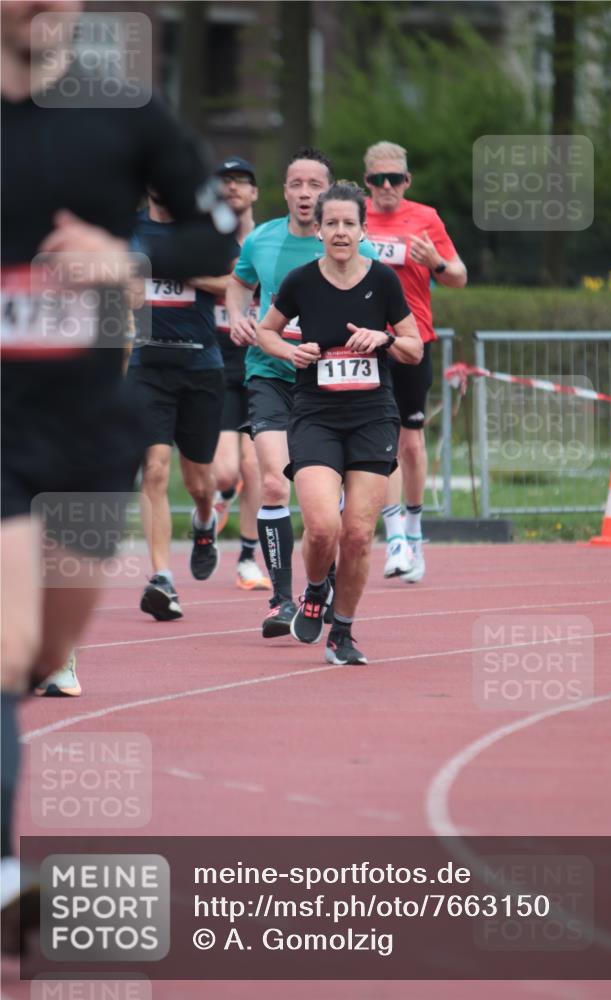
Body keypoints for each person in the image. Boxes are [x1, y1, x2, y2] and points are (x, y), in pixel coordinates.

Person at [0, 0, 236, 923]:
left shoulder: (122, 110)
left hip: (87, 431)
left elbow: (214, 235)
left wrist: (127, 254)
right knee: (7, 646)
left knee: (46, 651)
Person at [256, 182, 422, 664]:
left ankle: (343, 633)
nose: (341, 232)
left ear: (363, 230)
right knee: (324, 526)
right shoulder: (301, 282)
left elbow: (413, 348)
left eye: (350, 224)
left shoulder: (384, 282)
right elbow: (266, 333)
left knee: (357, 534)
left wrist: (384, 339)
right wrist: (293, 350)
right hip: (315, 416)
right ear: (319, 230)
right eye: (332, 224)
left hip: (373, 416)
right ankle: (312, 591)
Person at [227, 148, 377, 637]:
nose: (306, 193)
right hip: (269, 372)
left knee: (328, 508)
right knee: (273, 483)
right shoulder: (262, 239)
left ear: (329, 190)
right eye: (296, 183)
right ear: (285, 190)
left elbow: (380, 303)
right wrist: (237, 315)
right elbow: (238, 282)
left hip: (330, 384)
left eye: (315, 184)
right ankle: (280, 600)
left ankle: (324, 578)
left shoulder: (355, 244)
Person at [363, 141, 467, 582]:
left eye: (395, 179)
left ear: (407, 181)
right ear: (366, 181)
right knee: (380, 442)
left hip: (412, 341)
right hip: (366, 343)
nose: (386, 187)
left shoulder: (426, 219)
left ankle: (415, 529)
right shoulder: (353, 215)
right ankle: (395, 540)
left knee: (409, 442)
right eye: (377, 179)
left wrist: (437, 262)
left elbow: (459, 277)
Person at [128, 191, 226, 621]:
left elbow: (235, 283)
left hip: (201, 364)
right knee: (154, 469)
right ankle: (162, 577)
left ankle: (205, 522)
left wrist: (189, 274)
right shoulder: (128, 228)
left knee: (199, 481)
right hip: (147, 363)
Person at [210, 157, 270, 591]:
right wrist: (231, 282)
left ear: (254, 193)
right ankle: (222, 496)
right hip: (213, 360)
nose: (233, 187)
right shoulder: (206, 238)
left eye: (241, 181)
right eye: (225, 181)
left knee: (256, 465)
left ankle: (248, 557)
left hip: (258, 362)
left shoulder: (270, 241)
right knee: (225, 472)